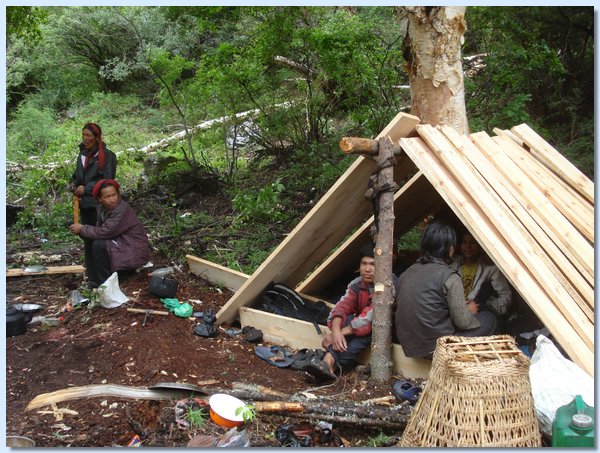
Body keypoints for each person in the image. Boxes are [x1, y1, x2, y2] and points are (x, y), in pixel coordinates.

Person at [394, 222, 497, 359]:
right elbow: (463, 322)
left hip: (410, 346)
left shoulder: (405, 274)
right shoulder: (449, 276)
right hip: (439, 349)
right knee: (489, 319)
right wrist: (469, 311)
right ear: (450, 249)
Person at [304, 242, 398, 381]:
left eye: (373, 264)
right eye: (364, 263)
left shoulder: (387, 285)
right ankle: (328, 366)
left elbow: (371, 316)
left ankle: (330, 365)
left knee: (361, 336)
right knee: (346, 319)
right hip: (359, 327)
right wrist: (335, 331)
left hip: (386, 331)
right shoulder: (357, 283)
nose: (367, 269)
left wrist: (339, 334)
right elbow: (342, 306)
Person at [69, 179, 149, 288]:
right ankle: (97, 280)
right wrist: (82, 231)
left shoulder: (121, 209)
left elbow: (106, 232)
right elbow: (100, 230)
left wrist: (82, 229)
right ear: (100, 199)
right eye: (107, 197)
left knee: (99, 245)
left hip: (133, 249)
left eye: (114, 195)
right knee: (93, 241)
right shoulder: (103, 209)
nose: (112, 200)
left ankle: (105, 285)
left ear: (118, 194)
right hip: (122, 243)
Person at [68, 123, 118, 279]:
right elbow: (78, 176)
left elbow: (107, 181)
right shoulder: (82, 155)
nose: (85, 138)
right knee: (87, 241)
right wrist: (73, 184)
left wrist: (87, 189)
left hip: (99, 206)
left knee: (100, 241)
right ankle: (93, 278)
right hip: (85, 206)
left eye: (88, 135)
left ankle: (106, 278)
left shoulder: (108, 156)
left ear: (97, 138)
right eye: (83, 135)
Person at [450, 231, 512, 318]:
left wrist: (485, 309)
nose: (468, 246)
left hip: (476, 316)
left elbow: (506, 297)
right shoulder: (454, 264)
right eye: (464, 242)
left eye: (473, 242)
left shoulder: (490, 268)